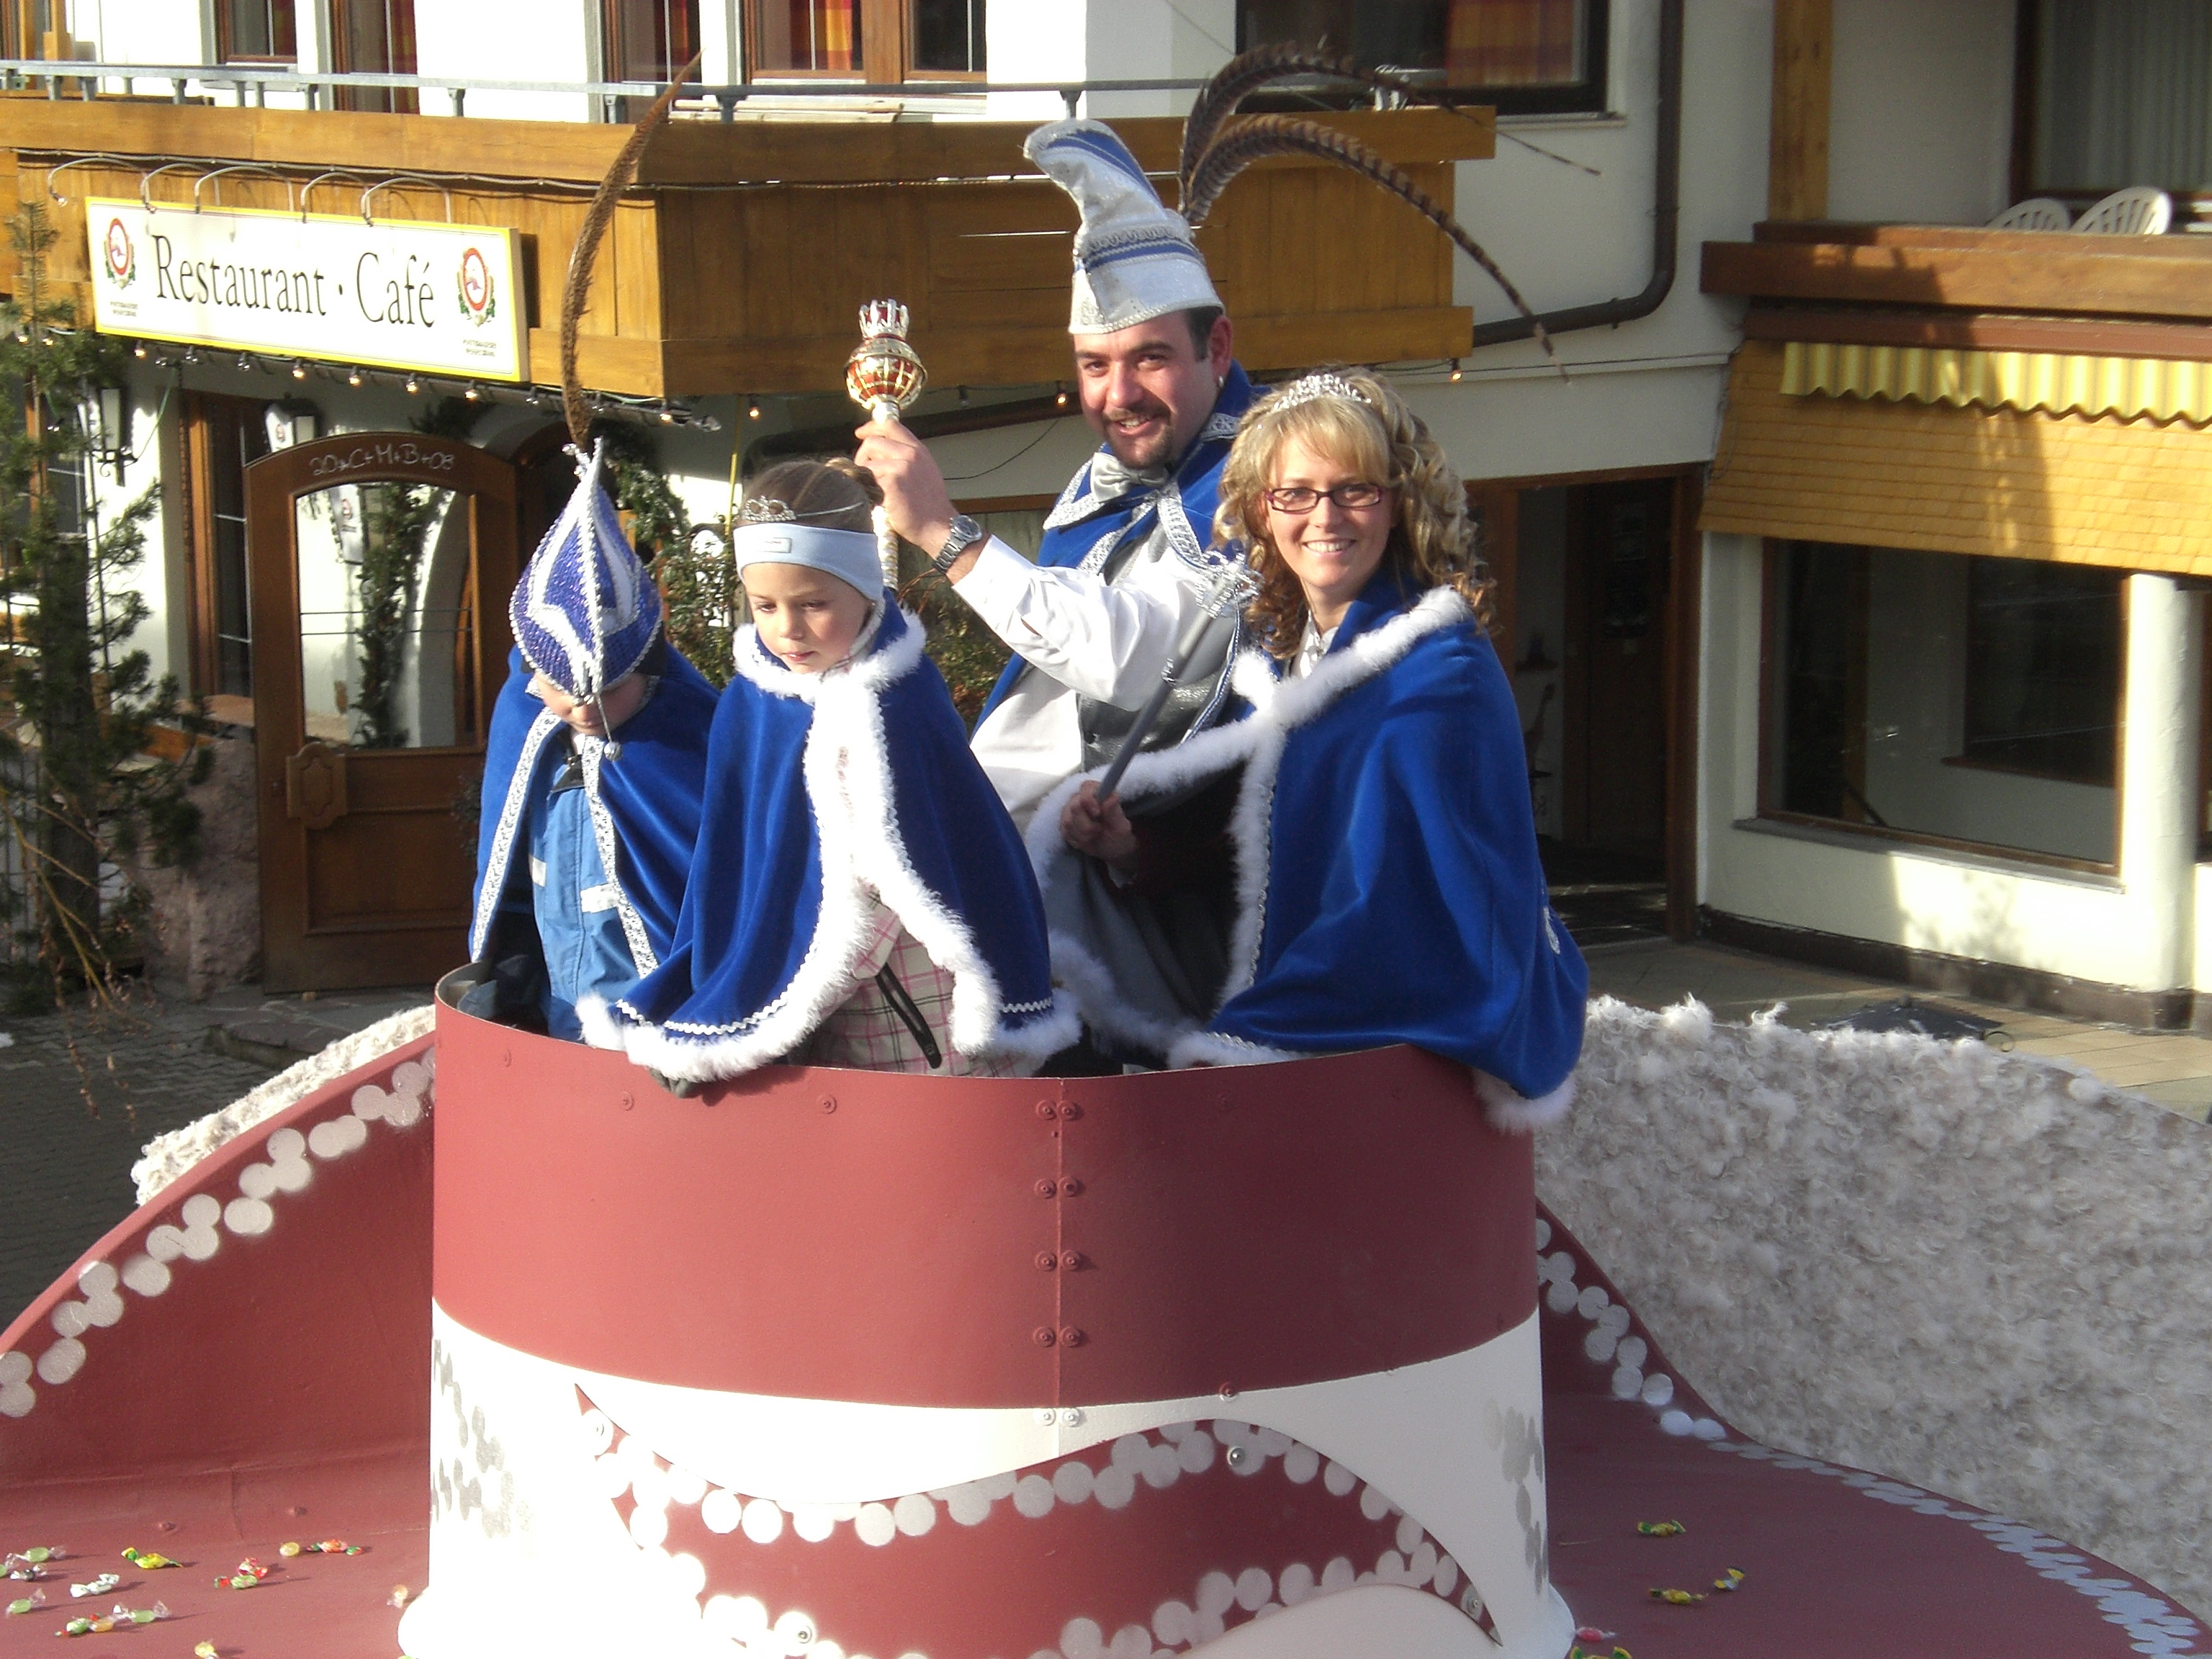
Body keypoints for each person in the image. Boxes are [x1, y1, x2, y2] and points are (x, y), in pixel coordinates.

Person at [1040, 371, 1588, 1125]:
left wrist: (1256, 1034)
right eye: (1294, 494)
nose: (1323, 518)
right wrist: (1134, 852)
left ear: (1397, 502)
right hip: (1318, 1042)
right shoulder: (1290, 660)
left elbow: (1402, 909)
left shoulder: (1435, 678)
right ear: (1262, 513)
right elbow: (1282, 851)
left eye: (1353, 489)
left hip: (1389, 1073)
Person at [585, 459, 1076, 1084]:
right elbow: (739, 863)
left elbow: (918, 864)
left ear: (866, 588)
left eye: (813, 604)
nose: (787, 629)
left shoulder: (897, 696)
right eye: (764, 605)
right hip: (804, 982)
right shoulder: (755, 700)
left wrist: (794, 995)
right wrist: (744, 992)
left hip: (906, 982)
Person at [857, 117, 1256, 831]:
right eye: (1096, 366)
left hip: (1142, 892)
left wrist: (947, 535)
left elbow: (1132, 658)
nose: (1120, 395)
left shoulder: (1256, 482)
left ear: (1217, 348)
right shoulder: (1109, 480)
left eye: (1151, 358)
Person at [467, 440, 716, 1041]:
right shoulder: (525, 723)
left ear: (648, 668)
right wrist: (511, 959)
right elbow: (512, 877)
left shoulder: (692, 736)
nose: (581, 707)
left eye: (608, 690)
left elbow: (711, 902)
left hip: (652, 1025)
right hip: (558, 1012)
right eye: (556, 687)